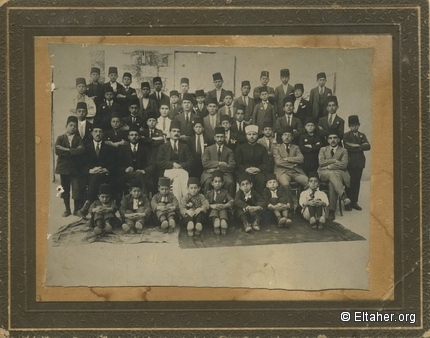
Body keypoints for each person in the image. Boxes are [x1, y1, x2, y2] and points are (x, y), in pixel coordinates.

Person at [77, 124, 115, 218]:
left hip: (106, 175)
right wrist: (90, 170)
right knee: (96, 177)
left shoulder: (109, 148)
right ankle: (91, 205)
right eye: (96, 131)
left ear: (103, 134)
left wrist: (106, 169)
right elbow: (80, 165)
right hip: (90, 175)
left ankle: (87, 205)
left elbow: (115, 164)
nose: (98, 134)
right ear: (92, 133)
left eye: (100, 132)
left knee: (98, 176)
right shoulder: (86, 148)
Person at [318, 129, 351, 221]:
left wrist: (329, 166)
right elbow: (321, 162)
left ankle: (331, 210)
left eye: (335, 138)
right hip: (324, 173)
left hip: (338, 174)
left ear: (339, 139)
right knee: (331, 174)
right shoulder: (323, 149)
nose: (332, 140)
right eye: (330, 138)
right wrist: (335, 161)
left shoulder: (344, 151)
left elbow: (344, 164)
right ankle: (343, 196)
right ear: (328, 140)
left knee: (332, 184)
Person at [54, 116, 85, 217]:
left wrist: (66, 150)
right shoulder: (60, 138)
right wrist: (73, 151)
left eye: (75, 126)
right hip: (64, 168)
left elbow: (81, 151)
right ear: (66, 126)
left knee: (76, 189)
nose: (73, 127)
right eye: (71, 125)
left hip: (75, 169)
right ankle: (67, 209)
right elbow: (57, 150)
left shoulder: (78, 139)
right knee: (64, 189)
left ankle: (76, 209)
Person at [156, 121, 194, 202]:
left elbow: (191, 161)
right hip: (167, 171)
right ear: (169, 133)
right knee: (183, 173)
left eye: (178, 131)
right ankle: (187, 199)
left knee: (177, 182)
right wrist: (172, 164)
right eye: (174, 131)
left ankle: (178, 204)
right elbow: (159, 162)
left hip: (180, 171)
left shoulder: (184, 146)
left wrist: (180, 165)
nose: (176, 133)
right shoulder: (163, 147)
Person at [343, 115, 371, 211]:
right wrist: (360, 146)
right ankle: (347, 203)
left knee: (357, 182)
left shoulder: (362, 135)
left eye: (356, 125)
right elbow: (347, 146)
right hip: (350, 162)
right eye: (352, 125)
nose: (354, 127)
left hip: (359, 162)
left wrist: (356, 146)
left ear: (359, 125)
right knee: (349, 182)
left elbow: (368, 146)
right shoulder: (346, 135)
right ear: (349, 126)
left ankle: (354, 202)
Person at [118, 125, 154, 196]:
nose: (134, 137)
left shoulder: (145, 149)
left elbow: (152, 164)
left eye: (136, 135)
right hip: (127, 175)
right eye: (131, 135)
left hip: (142, 173)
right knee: (139, 175)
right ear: (128, 137)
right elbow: (117, 165)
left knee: (140, 175)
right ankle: (144, 198)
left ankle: (143, 197)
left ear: (139, 136)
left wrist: (144, 171)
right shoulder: (122, 149)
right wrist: (125, 169)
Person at [234, 125, 270, 194]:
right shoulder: (240, 148)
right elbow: (237, 164)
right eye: (249, 134)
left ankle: (259, 199)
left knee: (261, 179)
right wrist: (246, 169)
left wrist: (258, 169)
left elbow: (266, 163)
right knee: (245, 181)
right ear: (246, 136)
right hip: (244, 171)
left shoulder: (262, 148)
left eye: (254, 134)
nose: (251, 136)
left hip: (258, 172)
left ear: (257, 136)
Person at [201, 127, 236, 196]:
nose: (219, 139)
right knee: (208, 182)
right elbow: (205, 163)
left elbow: (231, 166)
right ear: (214, 137)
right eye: (217, 137)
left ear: (225, 137)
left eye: (221, 137)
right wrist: (219, 163)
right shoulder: (208, 149)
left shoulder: (229, 151)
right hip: (209, 173)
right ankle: (207, 202)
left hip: (224, 173)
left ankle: (228, 203)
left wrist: (216, 169)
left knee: (230, 182)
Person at [205, 170, 234, 235]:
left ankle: (223, 222)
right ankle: (216, 223)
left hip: (222, 208)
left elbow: (231, 200)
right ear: (212, 183)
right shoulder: (209, 193)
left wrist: (226, 205)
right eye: (216, 181)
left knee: (223, 212)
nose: (217, 183)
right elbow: (204, 202)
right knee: (214, 212)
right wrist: (211, 206)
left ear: (223, 183)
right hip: (213, 209)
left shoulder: (225, 193)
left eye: (219, 181)